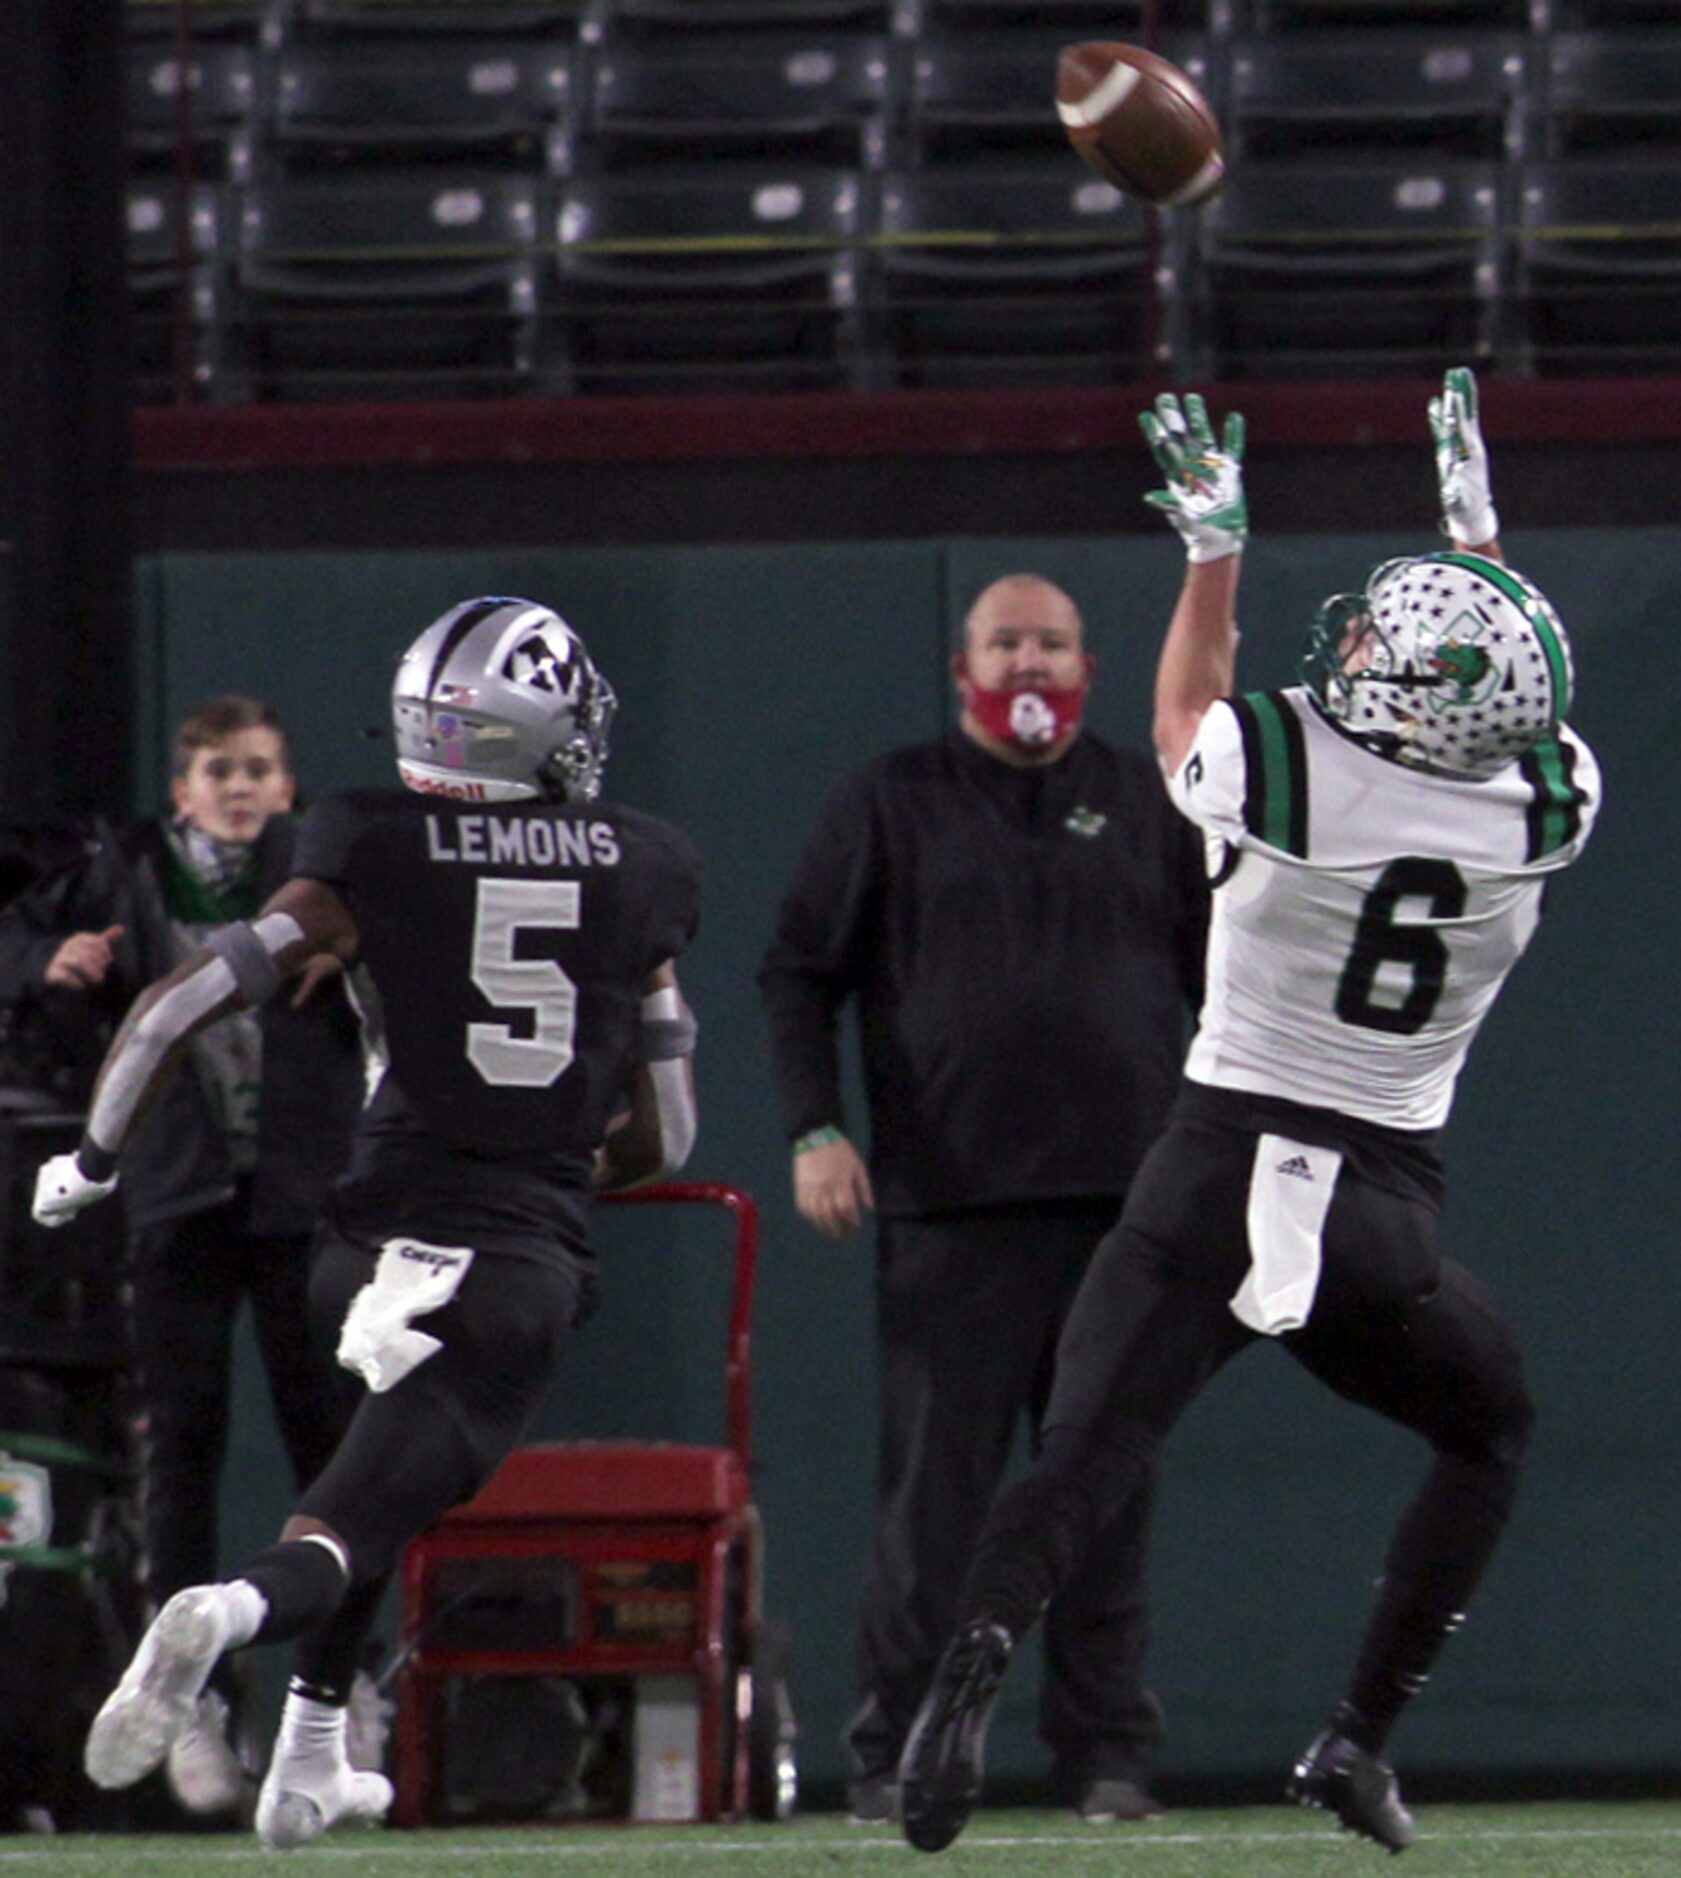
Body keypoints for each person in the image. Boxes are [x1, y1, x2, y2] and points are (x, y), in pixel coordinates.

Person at [893, 368, 1603, 1856]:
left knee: (1082, 1456)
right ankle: (1357, 1735)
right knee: (1491, 1423)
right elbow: (1491, 704)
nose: (1345, 639)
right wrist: (1474, 542)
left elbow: (1179, 711)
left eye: (1374, 639)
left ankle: (960, 1689)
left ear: (1401, 687)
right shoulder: (1551, 801)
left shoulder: (1289, 763)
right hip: (1379, 1216)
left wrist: (1213, 546)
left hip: (1212, 1173)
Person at [29, 596, 703, 1853]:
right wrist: (550, 1168)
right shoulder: (649, 861)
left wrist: (93, 1158)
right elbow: (667, 1131)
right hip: (510, 1252)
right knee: (350, 1523)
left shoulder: (365, 839)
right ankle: (227, 1615)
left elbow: (176, 1008)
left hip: (356, 1237)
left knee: (371, 1477)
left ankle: (309, 1756)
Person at [757, 573, 1208, 1823]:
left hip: (1127, 1217)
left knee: (1105, 1497)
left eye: (1049, 640)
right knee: (933, 1510)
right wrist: (816, 1130)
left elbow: (1224, 983)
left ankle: (1106, 1755)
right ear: (963, 662)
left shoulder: (1145, 800)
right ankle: (896, 1749)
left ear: (1088, 661)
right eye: (1005, 639)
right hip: (949, 1216)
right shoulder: (889, 802)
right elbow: (796, 972)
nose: (1027, 660)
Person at [0, 696, 365, 1816]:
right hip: (178, 1197)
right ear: (182, 789)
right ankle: (190, 1702)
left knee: (339, 1452)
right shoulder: (126, 877)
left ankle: (334, 1692)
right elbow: (42, 966)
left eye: (259, 768)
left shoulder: (327, 880)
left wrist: (353, 966)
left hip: (302, 1196)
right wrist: (46, 971)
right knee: (183, 1451)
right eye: (219, 770)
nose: (241, 788)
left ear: (289, 786)